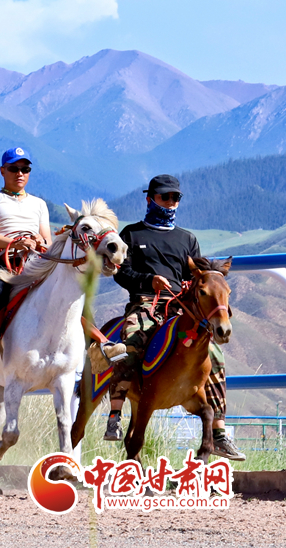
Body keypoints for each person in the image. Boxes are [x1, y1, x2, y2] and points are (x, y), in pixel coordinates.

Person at [109, 174, 245, 460]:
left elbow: (196, 276)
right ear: (150, 199)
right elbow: (121, 272)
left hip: (180, 307)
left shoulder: (187, 239)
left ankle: (219, 432)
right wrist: (149, 280)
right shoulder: (132, 234)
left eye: (175, 197)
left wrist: (191, 285)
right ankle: (115, 413)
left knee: (215, 356)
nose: (171, 202)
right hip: (145, 304)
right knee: (130, 345)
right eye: (165, 197)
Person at [0, 148, 52, 357]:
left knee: (63, 288)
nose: (20, 173)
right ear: (3, 171)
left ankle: (91, 344)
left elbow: (48, 241)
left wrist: (40, 242)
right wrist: (16, 243)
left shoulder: (39, 204)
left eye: (25, 169)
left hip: (33, 261)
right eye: (14, 168)